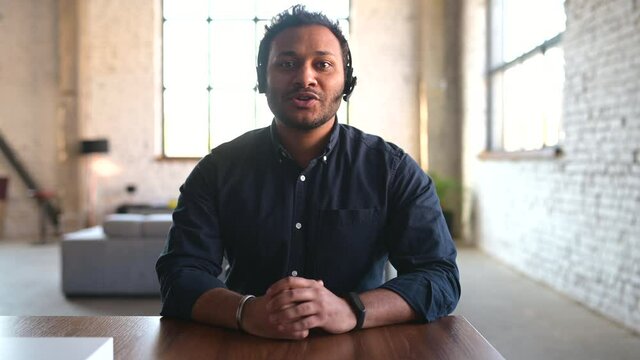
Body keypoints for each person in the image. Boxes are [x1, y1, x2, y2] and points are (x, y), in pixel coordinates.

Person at [156, 5, 460, 340]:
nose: (305, 78)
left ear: (347, 80)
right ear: (263, 78)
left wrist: (351, 309)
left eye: (323, 64)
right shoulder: (216, 171)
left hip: (361, 342)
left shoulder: (391, 169)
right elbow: (181, 273)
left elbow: (439, 275)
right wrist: (246, 311)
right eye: (287, 64)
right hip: (244, 341)